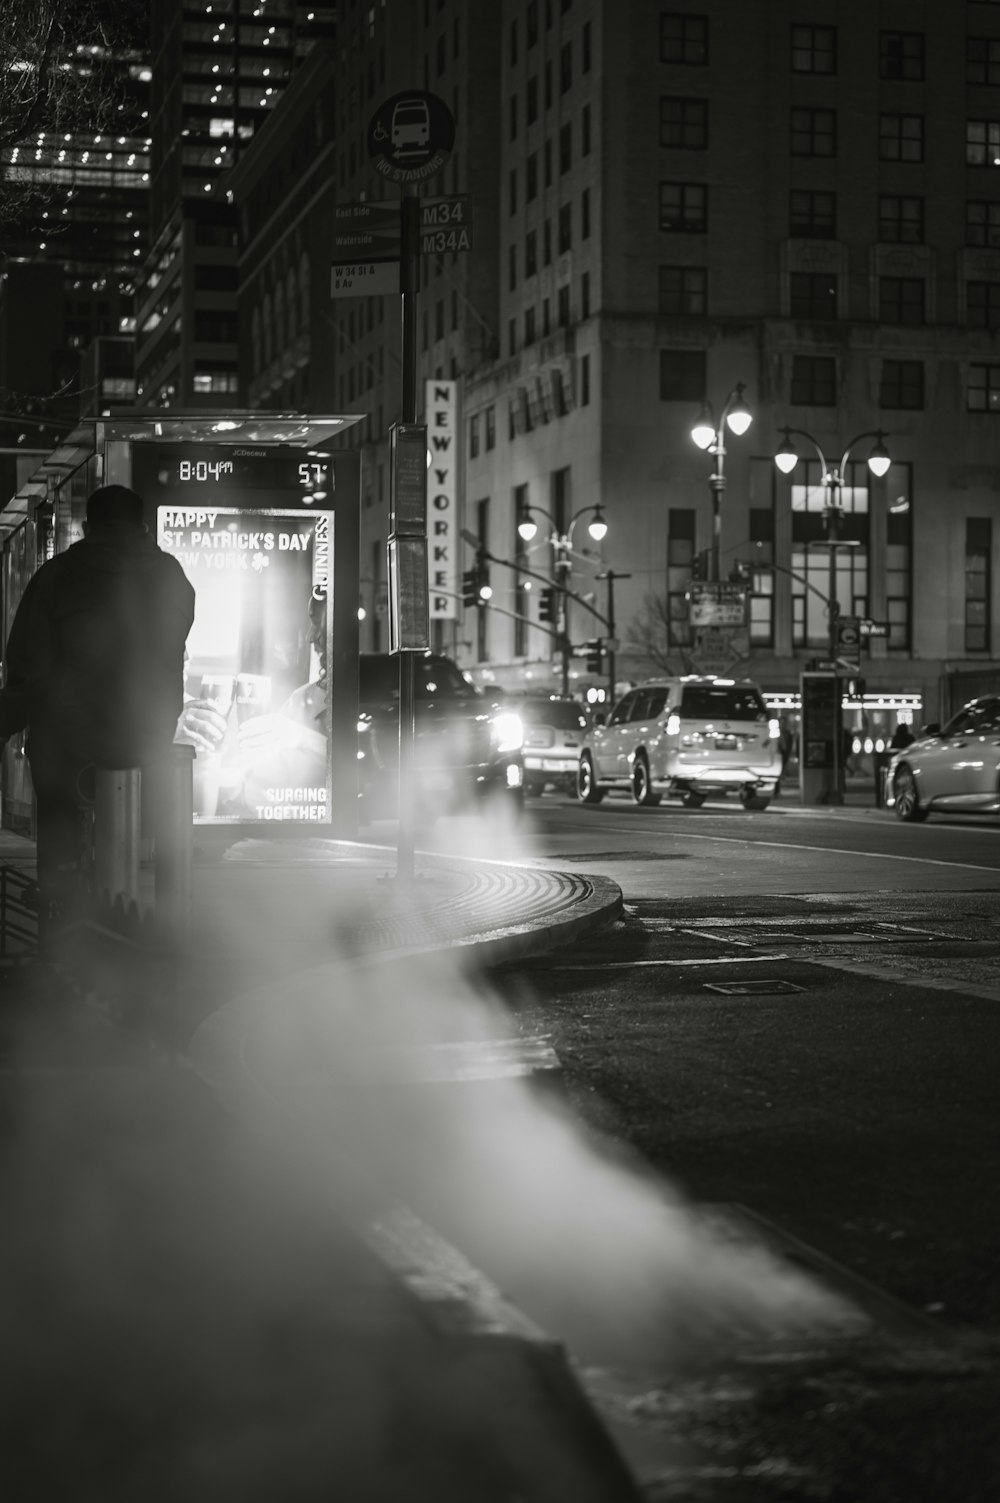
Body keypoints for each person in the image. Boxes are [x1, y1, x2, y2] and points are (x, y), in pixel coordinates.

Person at [0, 484, 195, 943]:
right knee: (141, 819)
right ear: (143, 527)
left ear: (87, 528)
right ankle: (159, 935)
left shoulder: (57, 575)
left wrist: (8, 722)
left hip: (70, 739)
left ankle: (59, 919)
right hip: (146, 735)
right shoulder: (171, 576)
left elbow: (28, 663)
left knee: (59, 815)